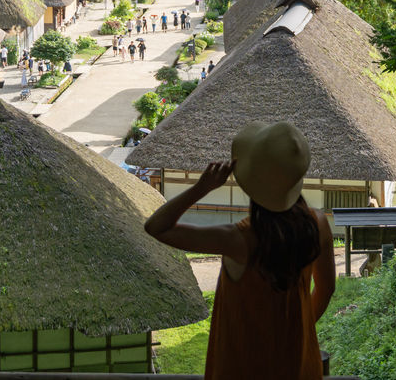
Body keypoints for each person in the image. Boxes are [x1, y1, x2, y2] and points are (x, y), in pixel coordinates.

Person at [144, 121, 335, 380]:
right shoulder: (318, 224)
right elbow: (326, 289)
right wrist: (296, 335)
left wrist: (202, 187)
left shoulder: (238, 240)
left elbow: (157, 226)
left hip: (242, 366)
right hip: (299, 366)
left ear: (251, 182)